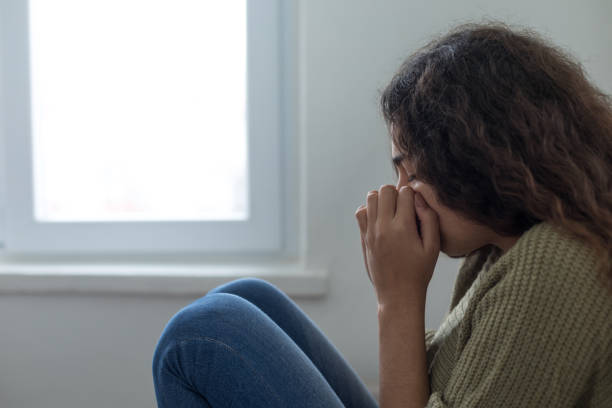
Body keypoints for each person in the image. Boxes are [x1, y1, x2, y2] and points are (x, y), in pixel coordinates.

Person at [152, 21, 612, 407]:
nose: (402, 194)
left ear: (470, 162)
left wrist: (396, 298)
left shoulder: (552, 265)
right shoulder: (496, 251)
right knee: (249, 296)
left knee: (199, 336)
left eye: (409, 172)